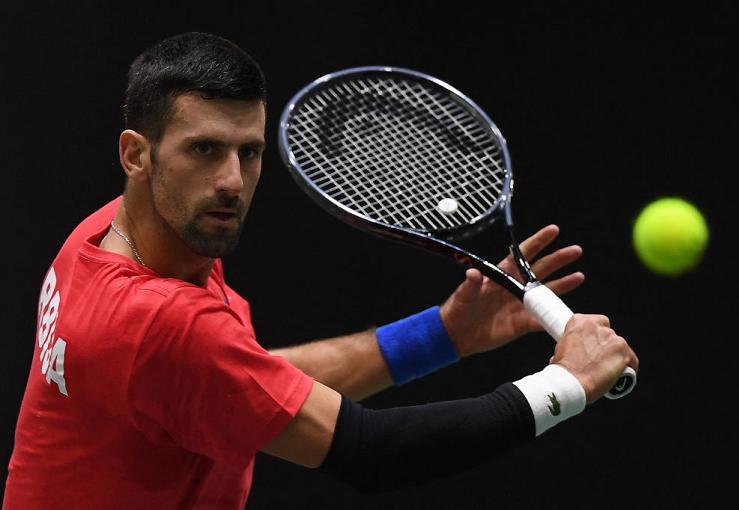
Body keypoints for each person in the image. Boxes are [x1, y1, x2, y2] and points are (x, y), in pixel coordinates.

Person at [3, 32, 638, 509]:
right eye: (204, 149)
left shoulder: (104, 234)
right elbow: (371, 453)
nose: (231, 181)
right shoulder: (158, 324)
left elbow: (247, 385)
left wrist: (443, 334)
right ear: (135, 153)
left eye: (248, 153)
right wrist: (565, 386)